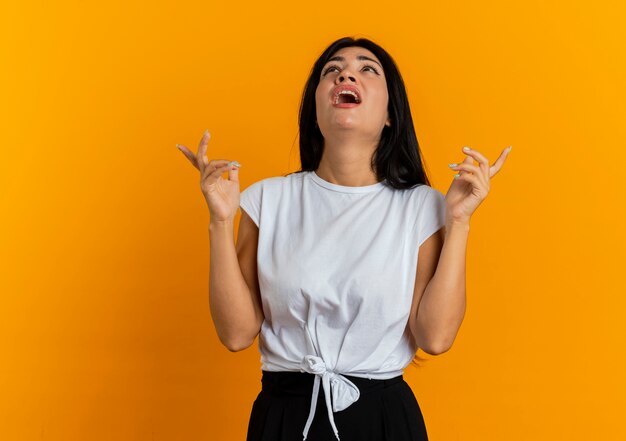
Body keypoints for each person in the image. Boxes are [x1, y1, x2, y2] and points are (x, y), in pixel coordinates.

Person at [176, 36, 511, 441]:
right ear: (315, 107)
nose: (345, 73)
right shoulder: (266, 199)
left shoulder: (422, 207)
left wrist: (459, 221)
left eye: (367, 68)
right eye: (331, 70)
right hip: (284, 418)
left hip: (383, 420)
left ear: (390, 114)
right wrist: (219, 221)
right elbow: (235, 334)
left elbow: (436, 338)